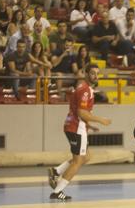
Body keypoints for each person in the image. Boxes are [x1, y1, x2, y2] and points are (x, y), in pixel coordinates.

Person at [47, 64, 111, 200]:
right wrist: (101, 120)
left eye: (97, 73)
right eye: (93, 73)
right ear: (86, 74)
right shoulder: (85, 90)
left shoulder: (86, 89)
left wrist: (90, 126)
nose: (95, 76)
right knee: (78, 161)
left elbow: (81, 112)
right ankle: (58, 191)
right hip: (76, 128)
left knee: (86, 157)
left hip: (76, 126)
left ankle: (56, 171)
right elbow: (82, 113)